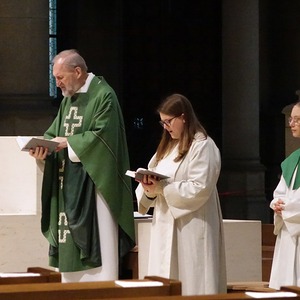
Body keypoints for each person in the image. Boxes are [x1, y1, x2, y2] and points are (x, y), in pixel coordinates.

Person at [29, 49, 135, 282]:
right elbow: (53, 134)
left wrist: (69, 142)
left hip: (95, 187)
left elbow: (105, 138)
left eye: (60, 77)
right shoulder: (69, 99)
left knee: (99, 264)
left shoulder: (103, 95)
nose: (57, 83)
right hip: (67, 182)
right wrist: (42, 150)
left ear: (78, 71)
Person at [135, 93, 227, 295]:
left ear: (183, 117)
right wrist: (149, 189)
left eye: (169, 121)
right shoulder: (166, 148)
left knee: (193, 281)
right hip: (164, 223)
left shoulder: (203, 146)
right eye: (162, 123)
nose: (166, 127)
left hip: (192, 225)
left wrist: (162, 189)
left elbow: (200, 187)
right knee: (165, 278)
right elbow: (152, 179)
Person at [269, 101, 300, 289]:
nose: (291, 124)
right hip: (289, 231)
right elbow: (280, 192)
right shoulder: (293, 159)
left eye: (297, 119)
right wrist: (277, 204)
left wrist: (287, 207)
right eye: (291, 119)